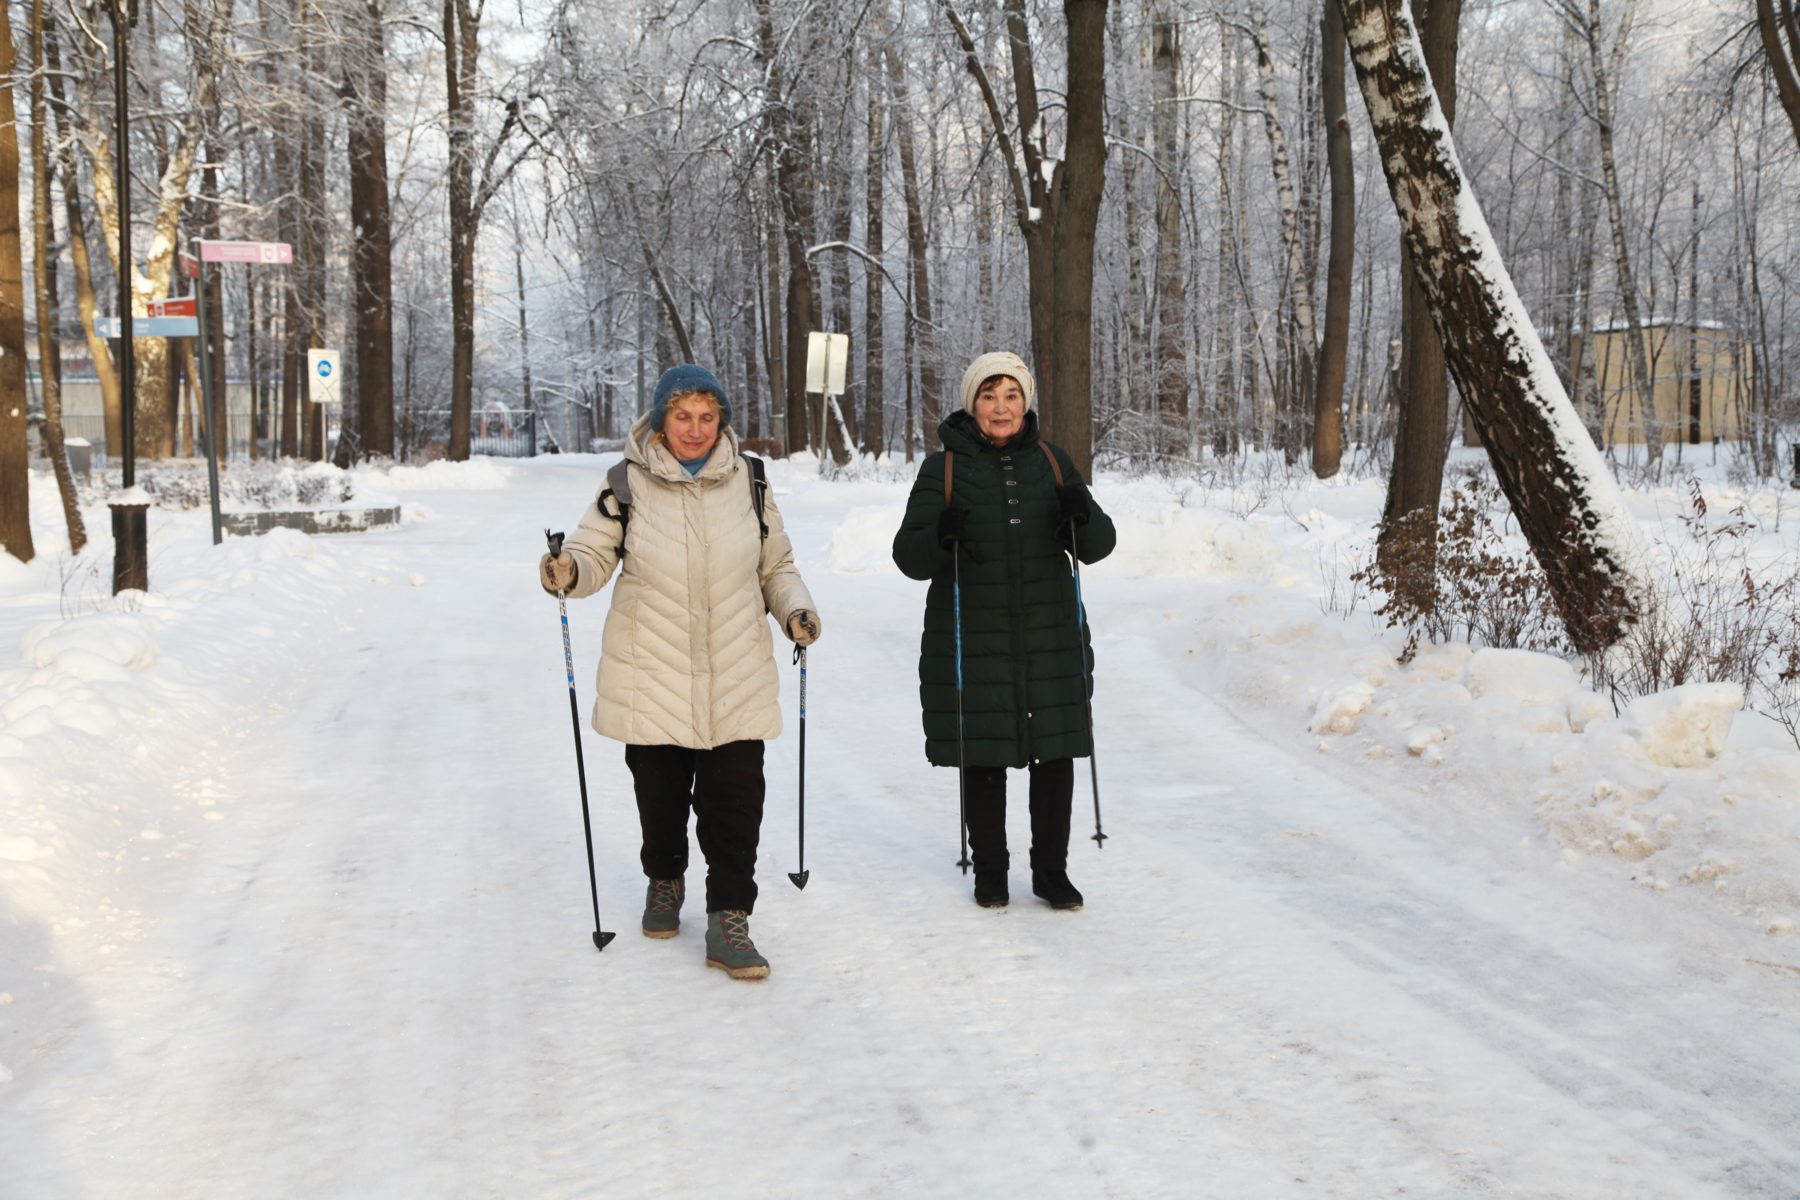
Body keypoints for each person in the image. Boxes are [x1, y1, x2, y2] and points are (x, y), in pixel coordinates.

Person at [539, 364, 820, 980]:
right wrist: (569, 570)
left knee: (736, 803)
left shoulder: (751, 481)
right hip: (653, 669)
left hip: (735, 669)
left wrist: (795, 609)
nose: (695, 429)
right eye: (682, 416)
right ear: (661, 421)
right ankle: (665, 878)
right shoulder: (626, 483)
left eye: (706, 417)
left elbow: (776, 565)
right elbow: (591, 551)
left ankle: (729, 919)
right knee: (660, 799)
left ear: (722, 421)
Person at [890, 352, 1116, 910]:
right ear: (973, 404)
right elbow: (909, 557)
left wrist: (1082, 517)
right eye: (989, 396)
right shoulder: (942, 469)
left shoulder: (1052, 462)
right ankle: (990, 871)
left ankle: (1051, 873)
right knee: (984, 753)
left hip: (1049, 631)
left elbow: (1099, 546)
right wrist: (940, 536)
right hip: (974, 633)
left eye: (1011, 395)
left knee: (1054, 750)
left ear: (1025, 402)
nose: (1000, 407)